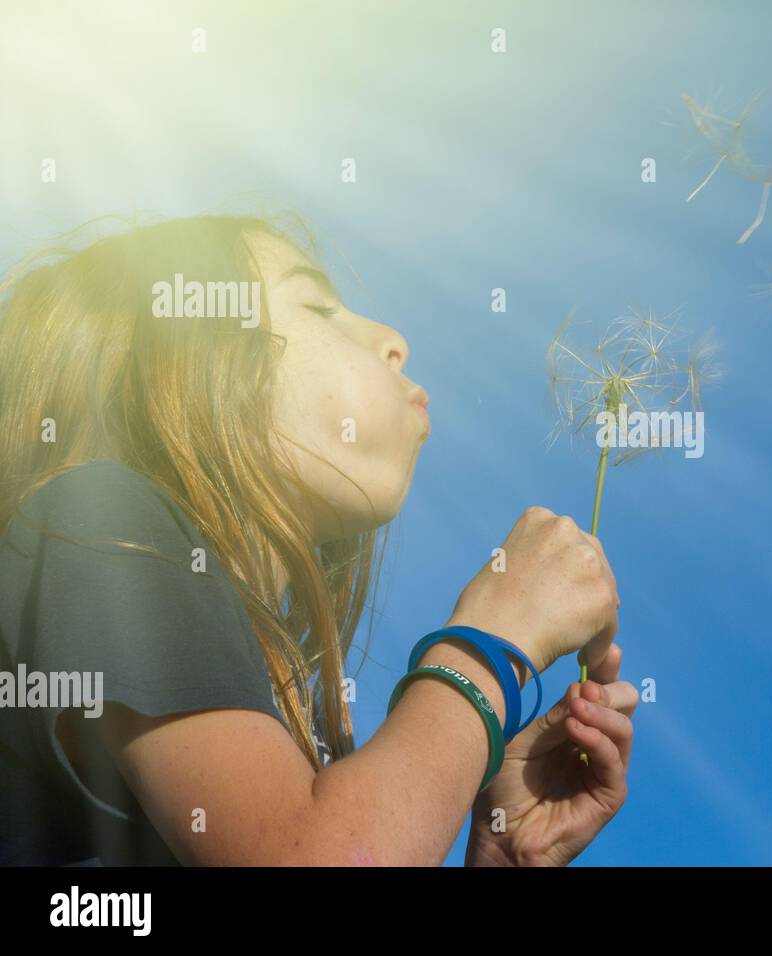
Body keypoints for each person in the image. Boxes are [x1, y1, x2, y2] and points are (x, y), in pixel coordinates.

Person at [0, 213, 635, 865]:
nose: (395, 340)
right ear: (190, 354)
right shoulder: (103, 516)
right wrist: (490, 644)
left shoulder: (277, 728)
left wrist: (501, 850)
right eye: (317, 305)